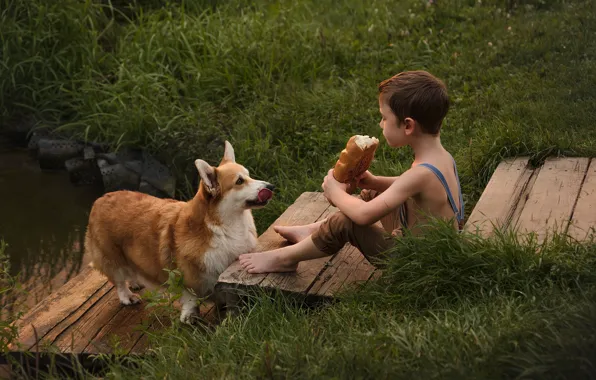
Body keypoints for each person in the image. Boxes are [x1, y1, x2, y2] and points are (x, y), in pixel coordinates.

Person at [238, 70, 464, 274]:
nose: (380, 124)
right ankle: (313, 232)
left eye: (384, 118)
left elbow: (364, 216)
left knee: (346, 221)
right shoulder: (441, 157)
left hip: (415, 263)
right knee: (372, 195)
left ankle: (285, 259)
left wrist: (336, 192)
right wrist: (374, 182)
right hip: (429, 246)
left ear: (408, 125)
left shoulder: (420, 174)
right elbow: (413, 187)